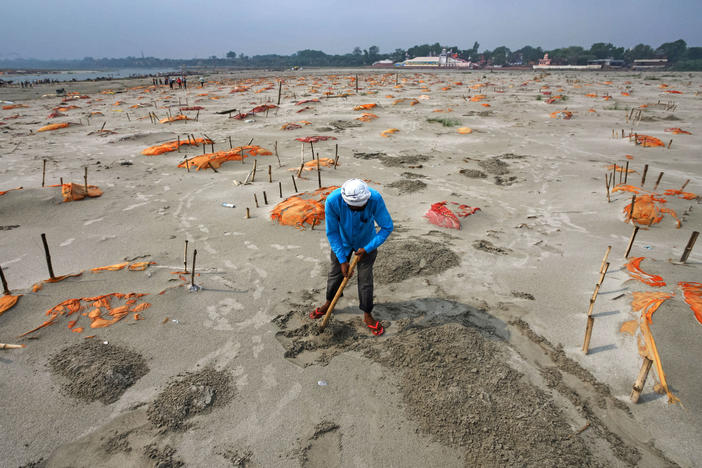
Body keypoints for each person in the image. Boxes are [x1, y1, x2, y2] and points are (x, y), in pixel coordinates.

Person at [310, 179, 393, 335]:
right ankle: (329, 302)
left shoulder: (374, 199)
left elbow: (387, 227)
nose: (358, 210)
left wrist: (368, 248)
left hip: (367, 242)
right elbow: (332, 232)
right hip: (342, 242)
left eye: (361, 207)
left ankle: (367, 314)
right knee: (335, 273)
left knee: (365, 279)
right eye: (353, 208)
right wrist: (342, 260)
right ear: (346, 202)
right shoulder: (333, 201)